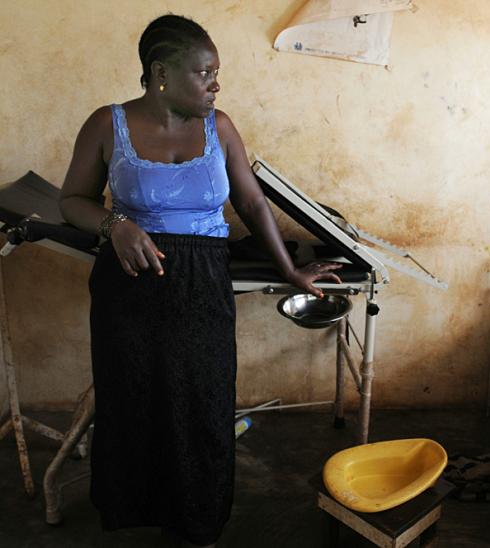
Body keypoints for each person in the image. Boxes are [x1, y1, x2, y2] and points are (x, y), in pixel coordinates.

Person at [58, 14, 342, 547]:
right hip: (130, 286)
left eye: (216, 73)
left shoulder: (220, 127)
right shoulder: (107, 124)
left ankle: (199, 520)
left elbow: (251, 202)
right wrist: (116, 226)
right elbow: (71, 200)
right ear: (161, 73)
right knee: (134, 401)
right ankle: (137, 510)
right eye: (204, 72)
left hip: (202, 283)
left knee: (203, 404)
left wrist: (289, 269)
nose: (215, 85)